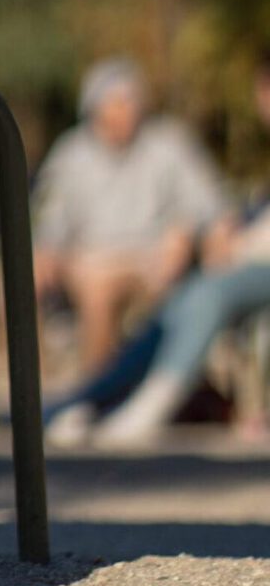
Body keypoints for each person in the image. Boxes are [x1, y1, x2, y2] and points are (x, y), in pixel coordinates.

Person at [32, 58, 232, 373]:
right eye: (116, 102)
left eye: (130, 102)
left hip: (153, 258)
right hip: (91, 260)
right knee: (95, 285)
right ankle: (91, 389)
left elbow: (209, 202)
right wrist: (47, 250)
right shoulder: (71, 154)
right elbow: (51, 224)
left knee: (173, 287)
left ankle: (163, 384)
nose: (125, 111)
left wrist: (188, 230)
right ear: (95, 108)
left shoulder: (167, 143)